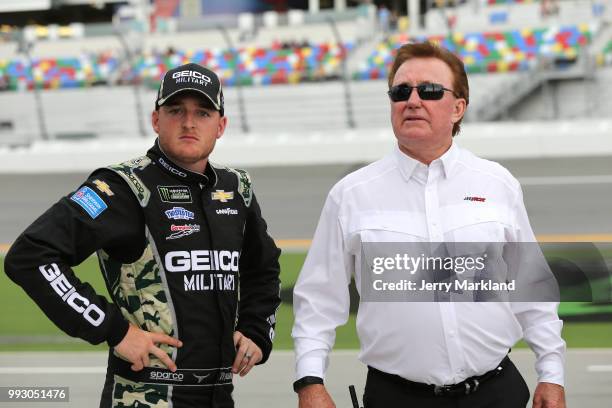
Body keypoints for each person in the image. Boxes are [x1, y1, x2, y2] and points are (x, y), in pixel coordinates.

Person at [292, 42, 566, 408]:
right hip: (396, 397)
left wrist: (551, 373)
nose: (413, 100)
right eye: (401, 91)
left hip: (496, 393)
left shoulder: (498, 184)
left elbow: (531, 288)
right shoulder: (350, 195)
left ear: (458, 108)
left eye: (430, 90)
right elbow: (318, 300)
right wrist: (310, 382)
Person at [4, 62, 281, 408]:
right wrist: (114, 330)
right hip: (143, 396)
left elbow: (264, 268)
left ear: (221, 125)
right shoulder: (121, 188)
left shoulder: (236, 189)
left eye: (204, 112)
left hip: (219, 395)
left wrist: (257, 330)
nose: (189, 122)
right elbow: (30, 255)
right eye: (176, 110)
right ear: (155, 120)